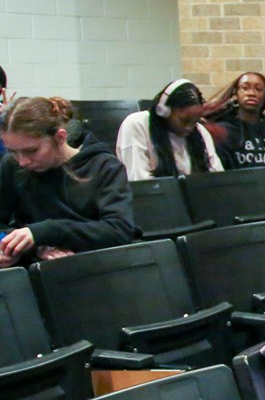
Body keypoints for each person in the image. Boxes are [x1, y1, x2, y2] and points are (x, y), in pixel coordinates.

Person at [1, 96, 137, 267]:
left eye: (31, 151)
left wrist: (46, 232)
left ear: (59, 138)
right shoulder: (11, 166)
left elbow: (119, 230)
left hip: (98, 267)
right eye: (13, 151)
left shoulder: (104, 166)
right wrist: (23, 247)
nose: (22, 161)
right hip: (34, 267)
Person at [115, 78, 224, 181]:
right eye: (184, 121)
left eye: (194, 122)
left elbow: (216, 177)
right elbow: (140, 181)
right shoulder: (137, 125)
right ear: (164, 111)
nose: (189, 128)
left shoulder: (199, 131)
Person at [204, 71, 265, 169]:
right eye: (245, 88)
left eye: (258, 89)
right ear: (236, 94)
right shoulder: (223, 131)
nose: (251, 93)